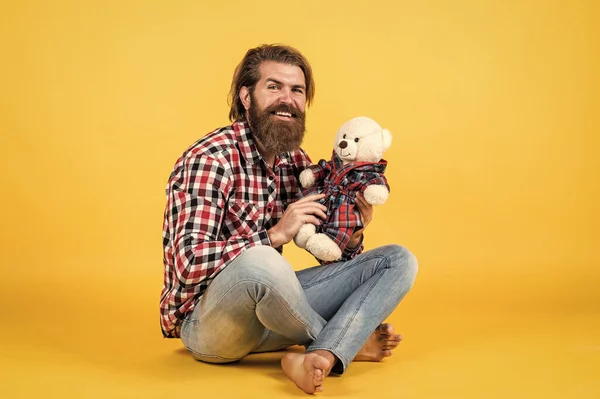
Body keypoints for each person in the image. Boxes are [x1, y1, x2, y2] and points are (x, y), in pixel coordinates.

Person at [160, 44, 418, 394]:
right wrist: (273, 236)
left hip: (274, 316)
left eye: (296, 90)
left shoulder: (296, 162)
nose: (288, 99)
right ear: (246, 97)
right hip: (208, 325)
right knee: (263, 259)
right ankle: (345, 343)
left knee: (397, 260)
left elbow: (328, 254)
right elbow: (187, 263)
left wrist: (352, 232)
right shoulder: (211, 159)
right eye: (274, 87)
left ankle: (319, 355)